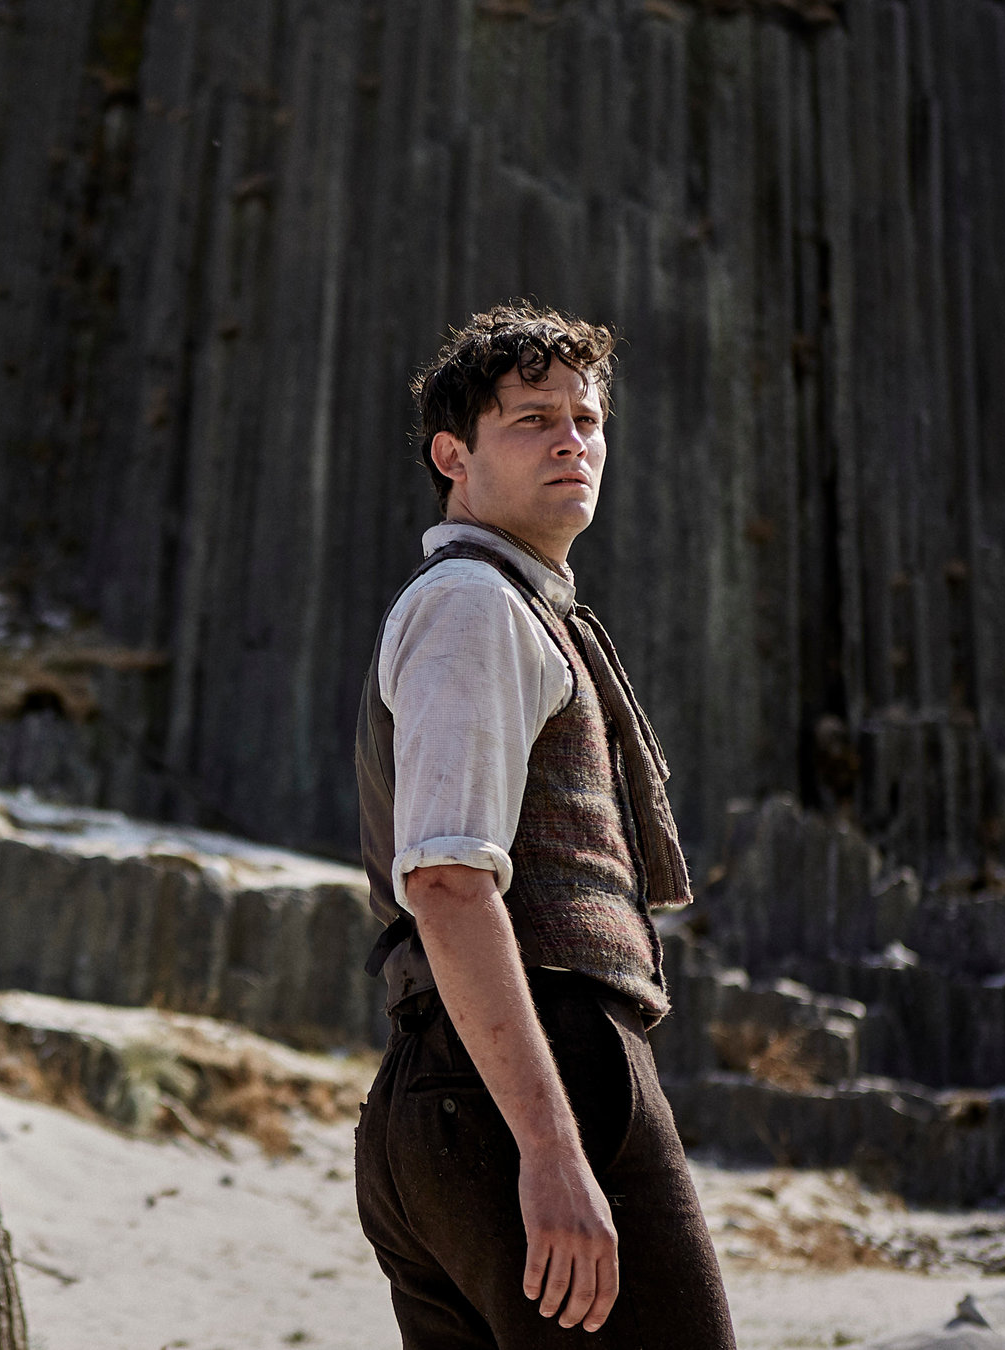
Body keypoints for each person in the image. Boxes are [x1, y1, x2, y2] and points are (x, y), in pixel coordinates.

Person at [352, 304, 735, 1347]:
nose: (572, 439)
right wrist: (552, 1147)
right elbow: (445, 881)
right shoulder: (476, 603)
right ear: (453, 456)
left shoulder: (511, 607)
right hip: (529, 1075)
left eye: (587, 418)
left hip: (440, 1094)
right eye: (531, 419)